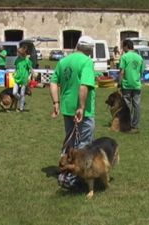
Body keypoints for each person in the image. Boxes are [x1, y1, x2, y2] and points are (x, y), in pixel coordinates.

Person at [50, 36, 96, 188]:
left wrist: (56, 103)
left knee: (70, 142)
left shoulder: (63, 61)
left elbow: (53, 81)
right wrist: (82, 107)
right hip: (82, 111)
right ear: (89, 50)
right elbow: (84, 85)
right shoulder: (87, 62)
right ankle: (74, 179)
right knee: (83, 144)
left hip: (67, 108)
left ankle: (63, 169)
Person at [118, 39, 145, 134]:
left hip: (126, 84)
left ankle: (127, 123)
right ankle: (135, 124)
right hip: (137, 84)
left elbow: (122, 71)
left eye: (123, 46)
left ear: (126, 46)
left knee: (126, 105)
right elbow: (142, 71)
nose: (122, 48)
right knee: (137, 105)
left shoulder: (124, 57)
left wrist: (119, 82)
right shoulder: (139, 57)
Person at [13, 46, 33, 112]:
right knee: (14, 92)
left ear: (21, 53)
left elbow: (31, 69)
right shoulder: (17, 60)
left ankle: (21, 108)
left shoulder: (27, 61)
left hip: (24, 79)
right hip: (17, 78)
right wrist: (14, 72)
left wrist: (30, 77)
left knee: (22, 94)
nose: (17, 53)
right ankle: (21, 101)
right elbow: (16, 68)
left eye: (18, 52)